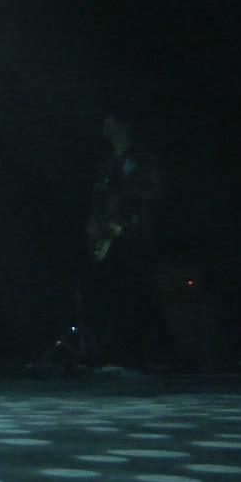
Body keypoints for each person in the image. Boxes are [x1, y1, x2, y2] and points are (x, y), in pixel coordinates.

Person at [86, 114, 168, 368]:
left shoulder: (142, 158)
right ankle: (117, 351)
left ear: (123, 124)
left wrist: (129, 196)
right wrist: (94, 222)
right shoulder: (106, 162)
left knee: (137, 293)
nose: (104, 125)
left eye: (109, 120)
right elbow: (99, 195)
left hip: (133, 232)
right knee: (113, 294)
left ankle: (147, 353)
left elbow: (158, 191)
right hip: (107, 235)